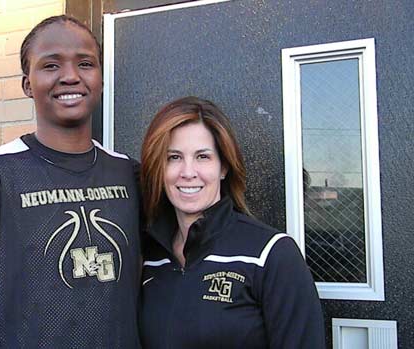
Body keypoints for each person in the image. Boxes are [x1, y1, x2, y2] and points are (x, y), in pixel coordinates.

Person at [0, 15, 142, 348]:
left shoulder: (130, 176)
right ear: (27, 84)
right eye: (50, 66)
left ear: (101, 80)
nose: (70, 76)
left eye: (85, 63)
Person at [139, 96, 325, 348]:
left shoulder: (271, 254)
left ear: (223, 167)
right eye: (173, 157)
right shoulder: (148, 257)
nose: (188, 172)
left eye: (203, 157)